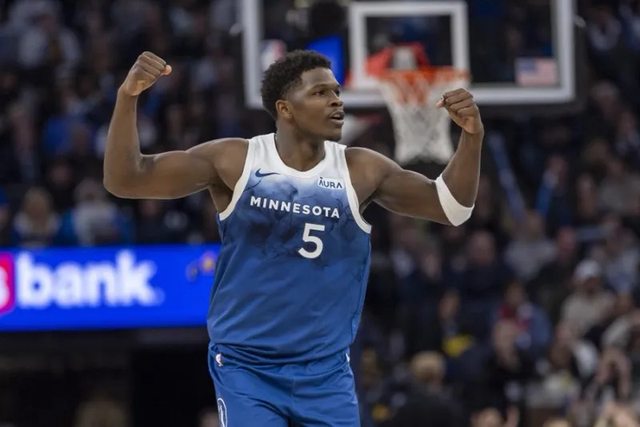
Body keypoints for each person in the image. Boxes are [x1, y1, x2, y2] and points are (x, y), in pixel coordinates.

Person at [103, 50, 483, 426]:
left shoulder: (361, 170)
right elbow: (125, 179)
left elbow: (451, 207)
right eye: (320, 93)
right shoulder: (236, 161)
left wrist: (471, 137)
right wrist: (127, 96)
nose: (336, 100)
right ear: (285, 109)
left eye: (336, 92)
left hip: (325, 373)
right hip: (247, 367)